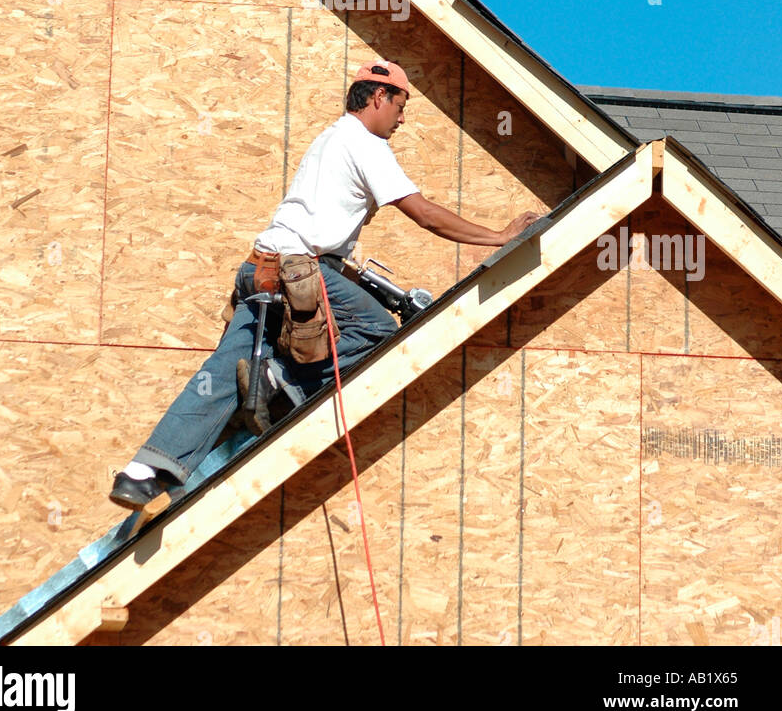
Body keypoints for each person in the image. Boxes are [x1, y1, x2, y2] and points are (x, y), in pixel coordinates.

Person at [110, 59, 541, 512]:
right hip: (296, 270)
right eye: (401, 103)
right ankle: (279, 380)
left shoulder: (330, 137)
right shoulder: (366, 143)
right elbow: (424, 214)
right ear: (379, 97)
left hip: (259, 269)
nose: (402, 116)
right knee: (376, 332)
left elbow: (319, 227)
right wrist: (499, 237)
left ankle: (142, 474)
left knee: (219, 376)